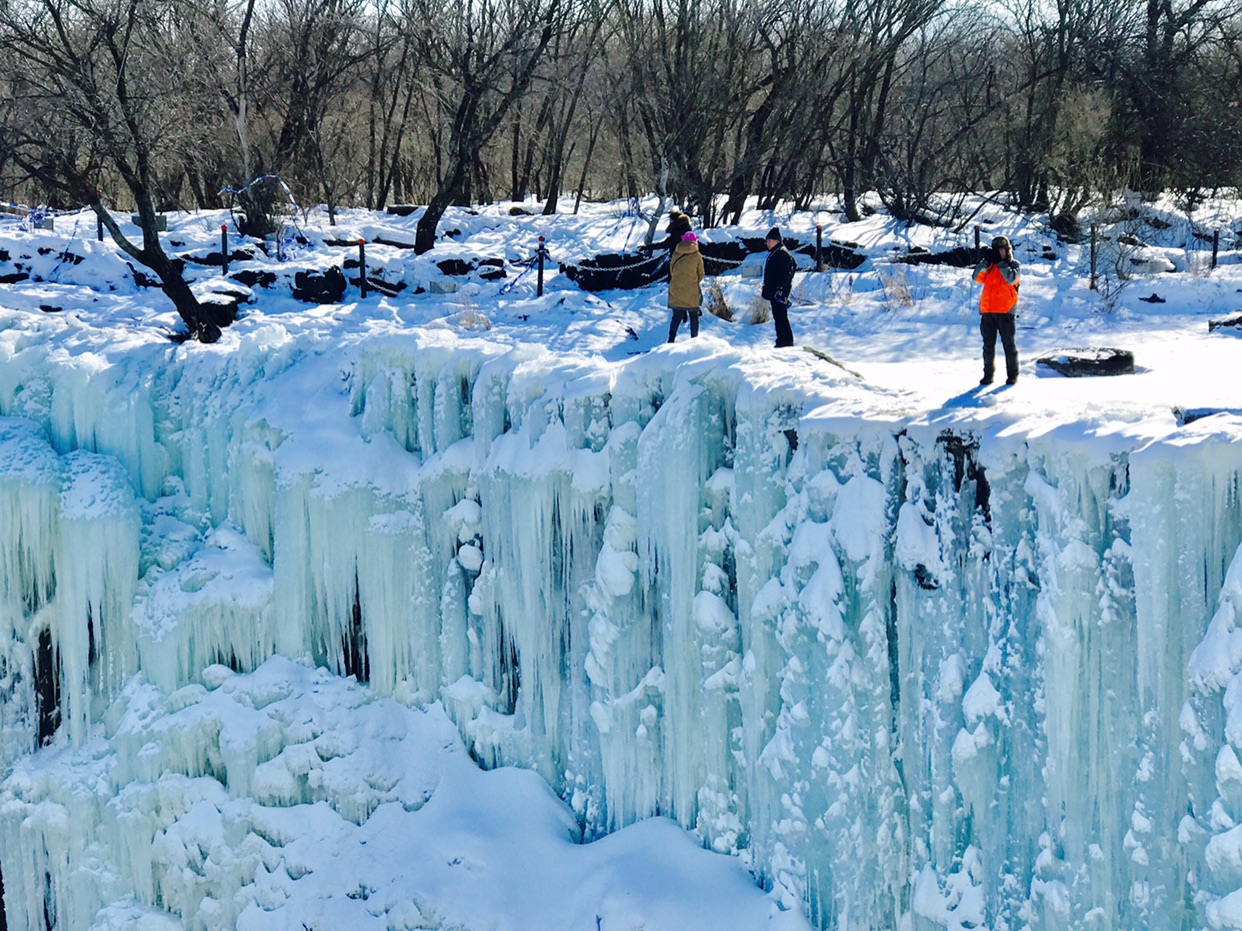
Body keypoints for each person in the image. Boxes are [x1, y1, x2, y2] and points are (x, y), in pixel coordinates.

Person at [972, 235, 1021, 385]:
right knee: (988, 347)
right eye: (996, 250)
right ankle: (988, 376)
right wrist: (984, 262)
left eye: (1002, 249)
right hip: (988, 311)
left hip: (1006, 312)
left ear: (1007, 250)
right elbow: (976, 278)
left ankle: (1013, 376)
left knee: (1009, 346)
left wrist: (1000, 263)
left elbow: (1010, 279)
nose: (999, 252)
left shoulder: (1014, 266)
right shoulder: (990, 266)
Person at [762, 226, 797, 348]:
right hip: (775, 291)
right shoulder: (776, 252)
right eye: (767, 241)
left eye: (770, 241)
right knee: (778, 316)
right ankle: (782, 340)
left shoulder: (781, 253)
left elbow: (786, 273)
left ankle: (785, 341)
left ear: (776, 240)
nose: (767, 243)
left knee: (781, 316)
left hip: (779, 292)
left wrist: (780, 289)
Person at [667, 230, 705, 341]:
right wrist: (692, 281)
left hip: (676, 289)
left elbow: (672, 271)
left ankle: (671, 339)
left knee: (677, 315)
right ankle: (694, 340)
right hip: (691, 290)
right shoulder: (697, 255)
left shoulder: (676, 253)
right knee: (694, 316)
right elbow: (701, 274)